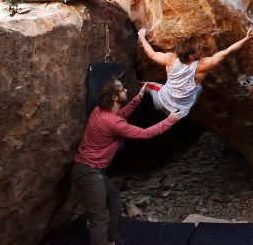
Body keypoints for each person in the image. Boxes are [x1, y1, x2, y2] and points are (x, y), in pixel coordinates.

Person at [70, 78, 181, 245]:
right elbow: (145, 133)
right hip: (88, 172)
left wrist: (137, 99)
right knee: (99, 218)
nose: (126, 91)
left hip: (91, 170)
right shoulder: (113, 123)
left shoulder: (100, 110)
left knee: (114, 196)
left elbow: (120, 115)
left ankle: (112, 240)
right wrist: (170, 120)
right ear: (115, 97)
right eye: (123, 89)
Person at [137, 26, 253, 117]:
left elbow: (151, 54)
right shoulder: (202, 66)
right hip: (178, 113)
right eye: (198, 48)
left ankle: (133, 84)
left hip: (160, 101)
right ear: (191, 56)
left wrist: (142, 36)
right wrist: (247, 38)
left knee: (148, 86)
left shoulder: (170, 59)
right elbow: (227, 52)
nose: (201, 47)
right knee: (199, 88)